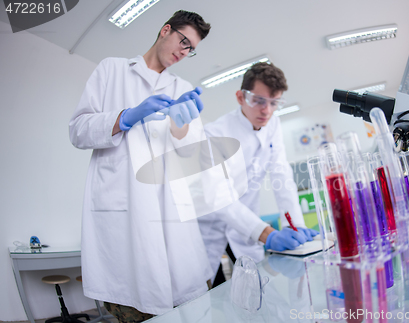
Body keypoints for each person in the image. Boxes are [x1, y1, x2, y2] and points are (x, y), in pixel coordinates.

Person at [69, 10, 212, 322]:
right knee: (136, 308)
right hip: (125, 221)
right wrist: (124, 117)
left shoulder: (181, 87)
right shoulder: (112, 70)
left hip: (173, 224)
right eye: (183, 41)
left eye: (191, 49)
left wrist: (181, 127)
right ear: (165, 30)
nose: (184, 52)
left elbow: (192, 159)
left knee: (188, 308)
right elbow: (77, 130)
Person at [199, 62, 318, 286]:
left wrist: (296, 224)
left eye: (274, 103)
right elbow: (219, 197)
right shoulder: (214, 133)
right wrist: (267, 234)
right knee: (207, 291)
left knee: (257, 289)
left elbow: (282, 176)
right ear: (240, 97)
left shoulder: (273, 125)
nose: (267, 111)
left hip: (247, 222)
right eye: (259, 101)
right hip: (210, 225)